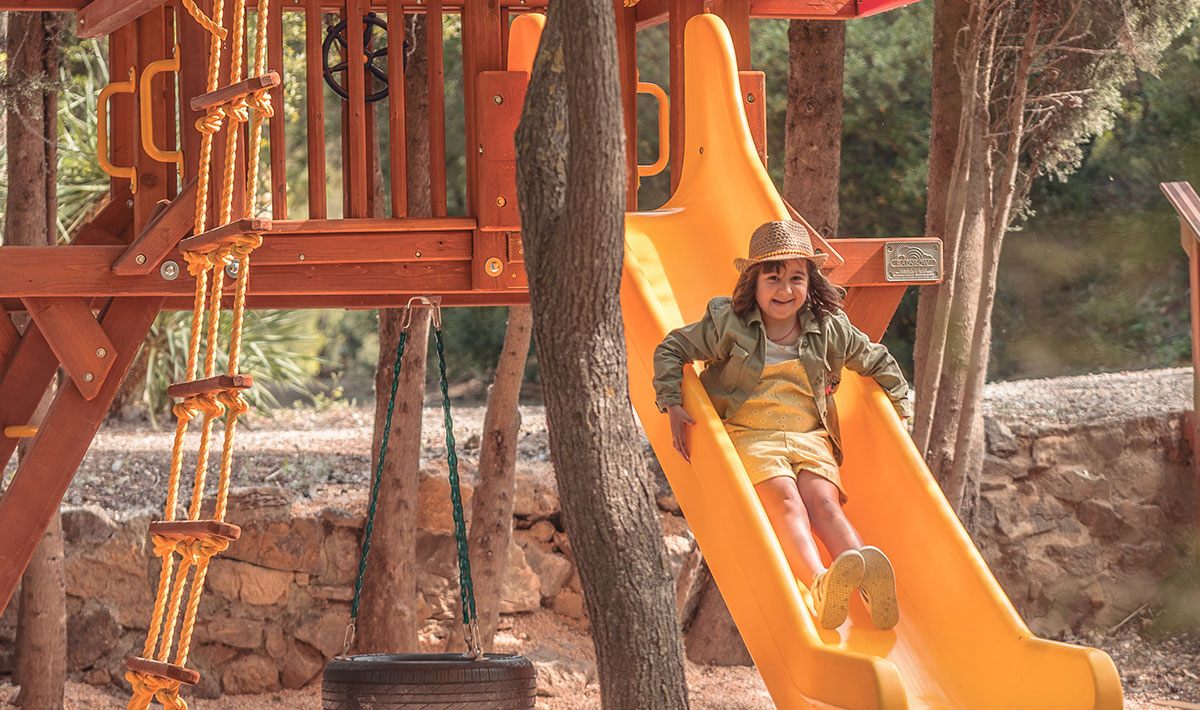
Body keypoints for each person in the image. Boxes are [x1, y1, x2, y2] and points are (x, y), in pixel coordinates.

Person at [652, 220, 911, 630]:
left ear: (810, 284)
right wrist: (671, 403)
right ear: (752, 283)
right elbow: (672, 348)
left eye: (796, 278)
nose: (785, 290)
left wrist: (901, 410)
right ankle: (819, 583)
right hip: (752, 434)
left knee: (824, 505)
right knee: (788, 501)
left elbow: (877, 359)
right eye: (773, 279)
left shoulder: (829, 328)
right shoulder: (728, 324)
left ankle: (867, 581)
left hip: (809, 436)